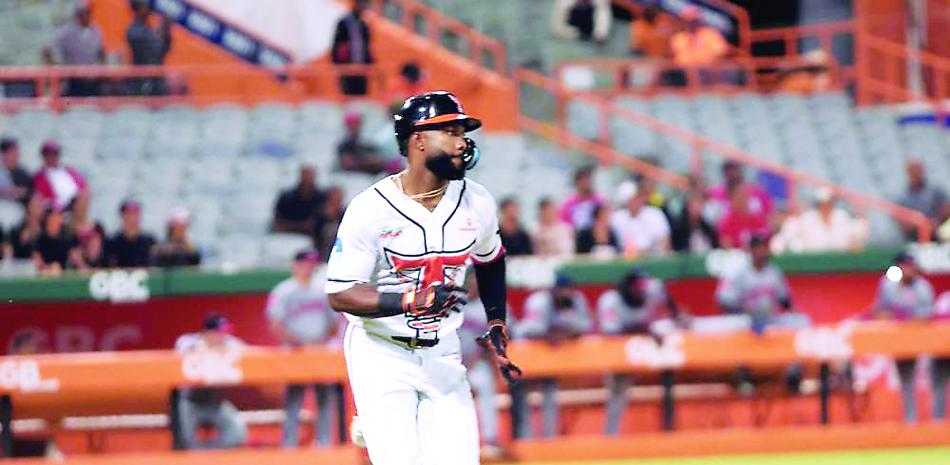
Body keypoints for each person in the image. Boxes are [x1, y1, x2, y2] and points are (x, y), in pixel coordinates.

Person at [324, 91, 521, 465]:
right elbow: (340, 294)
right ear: (418, 139)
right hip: (381, 352)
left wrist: (496, 318)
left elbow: (491, 259)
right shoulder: (371, 208)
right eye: (449, 131)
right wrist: (408, 301)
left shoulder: (477, 201)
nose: (462, 141)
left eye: (462, 132)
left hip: (444, 351)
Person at [598, 268, 687, 435]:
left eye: (643, 289)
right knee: (617, 395)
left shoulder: (650, 291)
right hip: (617, 354)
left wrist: (676, 314)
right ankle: (610, 437)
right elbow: (611, 332)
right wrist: (646, 330)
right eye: (637, 289)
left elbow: (665, 297)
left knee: (667, 378)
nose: (641, 293)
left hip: (645, 352)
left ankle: (667, 433)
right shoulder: (611, 300)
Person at [266, 249, 340, 447]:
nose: (309, 266)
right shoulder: (284, 291)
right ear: (296, 265)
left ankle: (324, 443)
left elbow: (334, 321)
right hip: (295, 351)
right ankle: (289, 444)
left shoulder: (321, 289)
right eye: (305, 262)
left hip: (320, 349)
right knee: (294, 397)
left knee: (325, 397)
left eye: (312, 262)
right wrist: (301, 343)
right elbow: (276, 323)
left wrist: (320, 342)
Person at [514, 273, 593, 438]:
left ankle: (549, 438)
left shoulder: (575, 300)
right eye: (562, 290)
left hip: (549, 358)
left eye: (568, 290)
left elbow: (586, 325)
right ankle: (525, 439)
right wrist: (551, 332)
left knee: (549, 390)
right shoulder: (538, 301)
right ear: (553, 290)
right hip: (526, 351)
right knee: (523, 396)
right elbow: (531, 330)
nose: (566, 294)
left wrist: (566, 330)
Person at [871, 252, 947, 423]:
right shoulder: (888, 284)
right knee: (906, 380)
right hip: (901, 338)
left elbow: (926, 316)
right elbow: (880, 311)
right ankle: (911, 422)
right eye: (905, 266)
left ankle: (938, 422)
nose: (909, 270)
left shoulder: (922, 286)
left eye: (911, 266)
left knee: (938, 378)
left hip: (926, 338)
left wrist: (904, 318)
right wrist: (895, 318)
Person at [174, 314, 247, 450]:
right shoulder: (190, 342)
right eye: (220, 332)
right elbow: (181, 348)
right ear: (208, 333)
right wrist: (209, 352)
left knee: (237, 433)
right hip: (190, 402)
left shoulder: (228, 343)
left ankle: (209, 456)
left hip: (214, 403)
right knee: (186, 444)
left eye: (225, 332)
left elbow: (249, 351)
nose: (223, 336)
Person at [458, 271, 506, 460]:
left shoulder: (488, 308)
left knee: (486, 385)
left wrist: (478, 357)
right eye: (471, 282)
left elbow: (494, 341)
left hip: (476, 363)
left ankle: (490, 440)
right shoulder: (452, 305)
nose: (474, 286)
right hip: (451, 364)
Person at [771, 187, 869, 253]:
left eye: (829, 203)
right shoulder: (807, 218)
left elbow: (858, 233)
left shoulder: (841, 216)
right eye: (823, 204)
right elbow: (784, 239)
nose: (826, 207)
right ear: (818, 204)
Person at [42, 2, 105, 97]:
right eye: (84, 13)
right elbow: (47, 50)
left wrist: (101, 69)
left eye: (88, 13)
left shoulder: (96, 30)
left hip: (92, 79)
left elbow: (101, 52)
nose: (87, 16)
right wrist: (56, 68)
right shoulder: (66, 32)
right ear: (77, 15)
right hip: (73, 80)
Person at [31, 140, 90, 227]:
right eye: (48, 154)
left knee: (85, 195)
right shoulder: (39, 176)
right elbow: (40, 196)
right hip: (54, 207)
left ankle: (80, 226)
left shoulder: (69, 170)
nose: (51, 157)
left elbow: (83, 186)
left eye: (54, 154)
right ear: (43, 156)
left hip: (74, 202)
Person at [669, 5, 729, 85]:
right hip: (684, 74)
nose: (691, 23)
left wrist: (700, 60)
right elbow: (679, 58)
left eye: (694, 20)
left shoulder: (711, 34)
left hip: (709, 70)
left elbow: (720, 52)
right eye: (688, 21)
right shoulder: (678, 38)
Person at [609, 181, 671, 259]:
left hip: (652, 259)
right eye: (632, 199)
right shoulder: (617, 217)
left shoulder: (655, 214)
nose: (636, 201)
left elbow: (665, 244)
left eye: (638, 197)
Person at [127, 0, 173, 95]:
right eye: (144, 6)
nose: (148, 9)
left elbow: (164, 50)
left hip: (157, 81)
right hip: (141, 83)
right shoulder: (133, 31)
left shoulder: (149, 29)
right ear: (138, 10)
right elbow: (154, 48)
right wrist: (163, 27)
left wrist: (166, 31)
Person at [898, 159, 949, 240]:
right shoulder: (903, 197)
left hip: (939, 236)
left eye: (918, 169)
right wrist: (920, 223)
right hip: (915, 239)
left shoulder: (936, 190)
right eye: (913, 170)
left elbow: (947, 208)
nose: (917, 173)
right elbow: (902, 224)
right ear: (908, 172)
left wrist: (935, 220)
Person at [331, 0, 373, 95]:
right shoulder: (343, 23)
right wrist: (337, 66)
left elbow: (367, 48)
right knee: (348, 96)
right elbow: (337, 46)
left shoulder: (364, 25)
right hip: (347, 68)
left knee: (361, 97)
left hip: (361, 69)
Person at [272, 165, 326, 236]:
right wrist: (301, 226)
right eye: (305, 175)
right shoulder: (286, 197)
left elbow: (318, 224)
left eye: (309, 175)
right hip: (285, 235)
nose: (307, 179)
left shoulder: (322, 197)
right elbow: (278, 221)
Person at [666, 185, 718, 253]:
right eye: (694, 203)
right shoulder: (679, 229)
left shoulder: (707, 228)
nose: (697, 207)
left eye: (699, 203)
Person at [106, 200, 157, 268]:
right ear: (123, 216)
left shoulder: (149, 241)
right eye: (129, 213)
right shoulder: (112, 243)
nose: (133, 218)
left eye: (136, 213)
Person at [32, 208, 77, 277]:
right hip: (44, 276)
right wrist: (49, 269)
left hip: (63, 276)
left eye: (58, 217)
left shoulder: (66, 238)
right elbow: (37, 261)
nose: (57, 220)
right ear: (48, 220)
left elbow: (75, 258)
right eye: (54, 218)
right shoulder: (39, 239)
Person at [558, 165, 605, 230]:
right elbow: (564, 226)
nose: (587, 182)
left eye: (588, 178)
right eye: (583, 180)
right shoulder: (567, 205)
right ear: (576, 183)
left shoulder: (600, 201)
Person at [313, 186, 345, 260]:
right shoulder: (320, 215)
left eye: (338, 199)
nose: (336, 201)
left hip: (340, 251)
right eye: (334, 199)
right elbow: (315, 234)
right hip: (321, 250)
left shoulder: (345, 214)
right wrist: (327, 218)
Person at [0, 137, 33, 206]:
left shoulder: (23, 172)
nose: (16, 154)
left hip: (17, 210)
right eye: (11, 151)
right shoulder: (2, 170)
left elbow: (29, 191)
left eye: (16, 151)